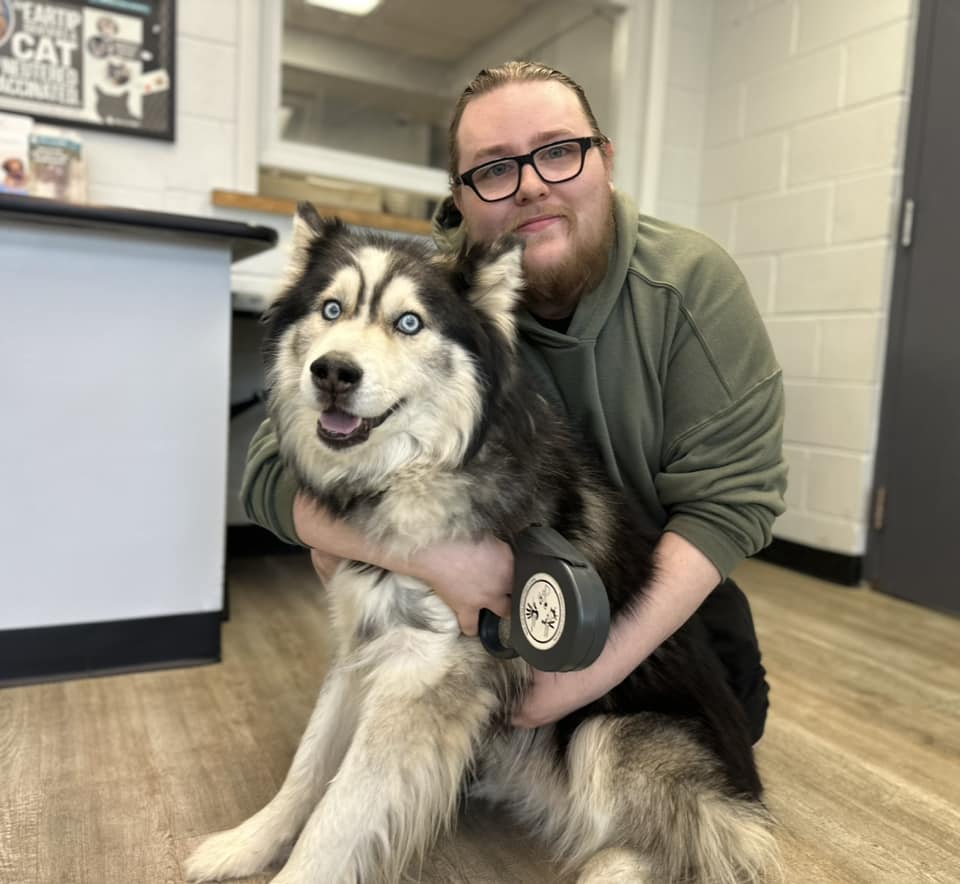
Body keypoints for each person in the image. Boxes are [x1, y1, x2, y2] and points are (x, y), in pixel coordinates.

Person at [242, 61, 787, 742]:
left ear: (605, 162)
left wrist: (589, 673)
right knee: (341, 550)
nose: (531, 185)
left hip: (638, 578)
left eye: (558, 152)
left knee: (730, 722)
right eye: (495, 169)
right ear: (461, 200)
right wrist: (436, 562)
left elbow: (732, 504)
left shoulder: (692, 284)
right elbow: (270, 474)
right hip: (478, 583)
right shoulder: (431, 297)